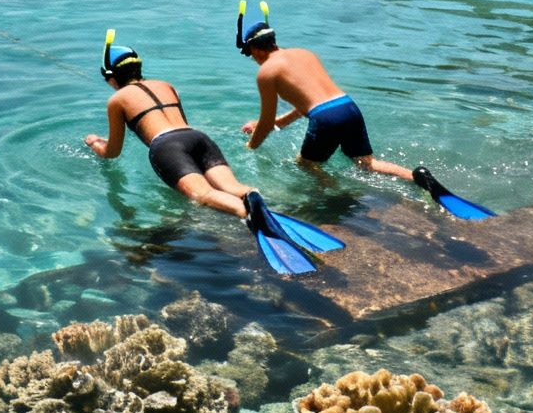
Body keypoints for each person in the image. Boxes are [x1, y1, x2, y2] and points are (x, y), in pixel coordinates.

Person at [83, 31, 341, 274]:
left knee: (201, 194)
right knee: (233, 186)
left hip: (166, 146)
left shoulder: (116, 100)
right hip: (197, 138)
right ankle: (251, 197)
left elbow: (113, 151)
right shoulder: (166, 85)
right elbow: (174, 124)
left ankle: (247, 215)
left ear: (112, 78)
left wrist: (95, 143)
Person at [235, 1, 494, 220]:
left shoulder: (266, 72)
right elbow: (308, 105)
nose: (252, 59)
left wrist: (250, 148)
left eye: (250, 54)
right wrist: (267, 125)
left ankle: (340, 195)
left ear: (257, 48)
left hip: (327, 118)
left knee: (305, 165)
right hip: (348, 106)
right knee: (366, 163)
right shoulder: (304, 53)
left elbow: (269, 123)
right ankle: (417, 177)